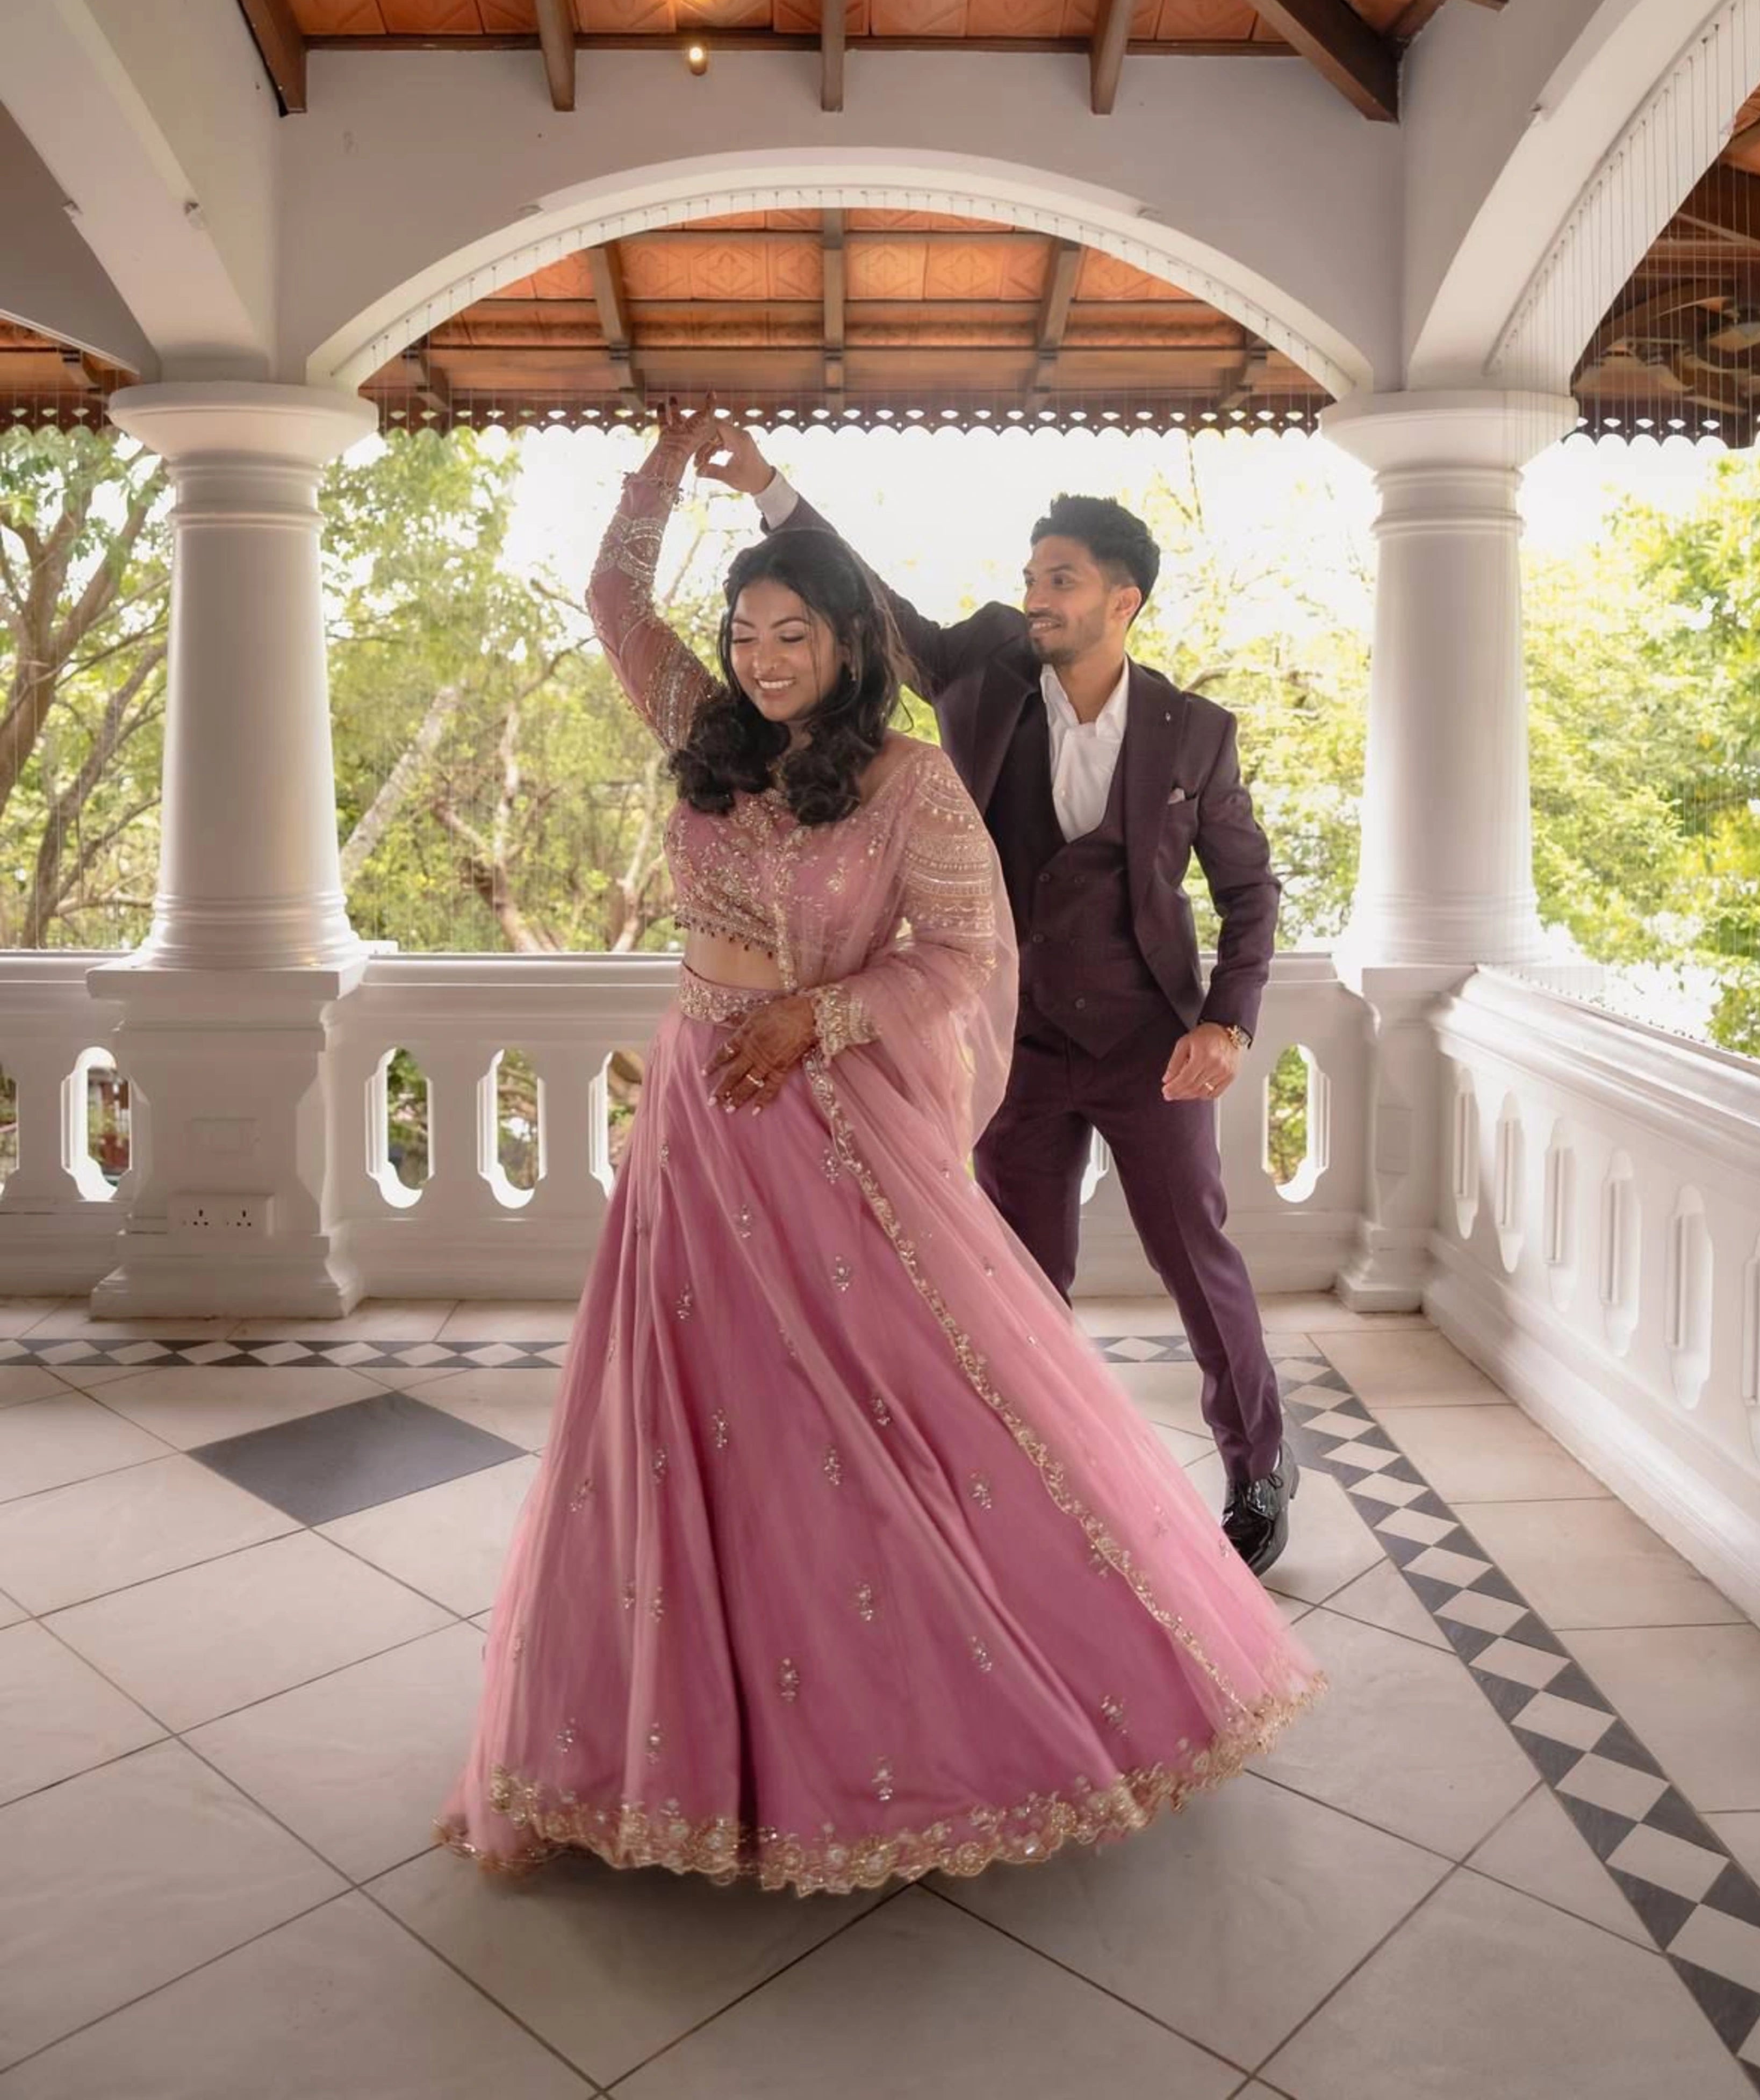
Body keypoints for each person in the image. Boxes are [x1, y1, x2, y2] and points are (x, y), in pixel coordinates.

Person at [438, 411, 1319, 1894]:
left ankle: (964, 1680)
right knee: (685, 1404)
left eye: (793, 633)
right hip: (696, 1122)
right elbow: (610, 602)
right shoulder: (693, 728)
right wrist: (658, 479)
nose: (763, 656)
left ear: (847, 644)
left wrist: (820, 1017)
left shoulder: (910, 779)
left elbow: (964, 952)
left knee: (898, 1399)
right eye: (745, 629)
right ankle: (676, 1743)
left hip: (834, 1120)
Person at [699, 419, 1297, 1576]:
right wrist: (771, 486)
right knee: (1018, 1276)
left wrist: (1226, 1022)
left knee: (1195, 1256)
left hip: (1147, 1043)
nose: (1034, 596)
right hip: (1005, 1039)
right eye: (1030, 576)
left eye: (1058, 579)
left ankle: (1258, 1464)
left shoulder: (1195, 733)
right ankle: (1030, 1482)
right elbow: (867, 606)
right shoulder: (980, 668)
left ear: (1122, 599)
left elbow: (1248, 891)